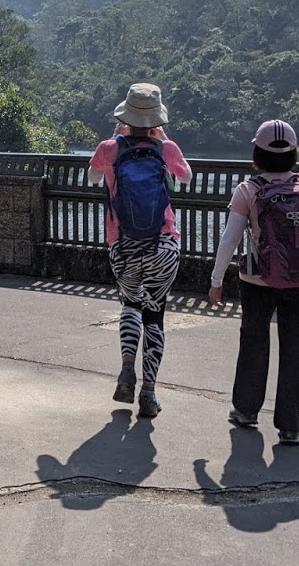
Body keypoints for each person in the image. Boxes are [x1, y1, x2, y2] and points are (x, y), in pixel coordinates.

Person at [207, 119, 299, 445]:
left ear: (257, 154)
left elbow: (229, 240)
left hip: (257, 281)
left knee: (254, 342)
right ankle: (290, 427)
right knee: (297, 349)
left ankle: (246, 411)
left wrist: (217, 280)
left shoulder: (248, 190)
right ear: (293, 154)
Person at [87, 83, 192, 418]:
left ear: (126, 117)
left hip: (123, 244)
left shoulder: (109, 148)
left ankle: (127, 367)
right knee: (155, 314)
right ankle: (149, 393)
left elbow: (92, 178)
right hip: (163, 243)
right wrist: (162, 142)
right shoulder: (166, 147)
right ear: (156, 119)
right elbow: (186, 178)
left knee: (131, 305)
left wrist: (114, 141)